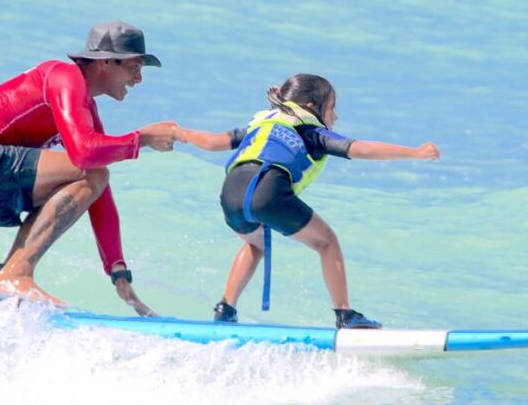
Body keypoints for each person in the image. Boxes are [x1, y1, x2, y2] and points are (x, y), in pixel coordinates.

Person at [0, 20, 178, 316]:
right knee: (91, 170)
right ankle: (15, 275)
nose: (138, 78)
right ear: (105, 63)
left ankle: (3, 283)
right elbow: (87, 157)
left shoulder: (85, 107)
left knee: (91, 177)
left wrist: (118, 270)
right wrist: (143, 139)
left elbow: (97, 190)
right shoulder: (65, 76)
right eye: (134, 67)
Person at [176, 73, 440, 329]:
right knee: (327, 241)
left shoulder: (257, 125)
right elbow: (361, 149)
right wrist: (416, 153)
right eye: (332, 109)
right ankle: (345, 314)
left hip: (230, 193)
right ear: (313, 107)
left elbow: (211, 142)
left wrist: (179, 132)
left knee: (255, 244)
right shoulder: (311, 132)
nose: (335, 117)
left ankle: (225, 308)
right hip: (267, 191)